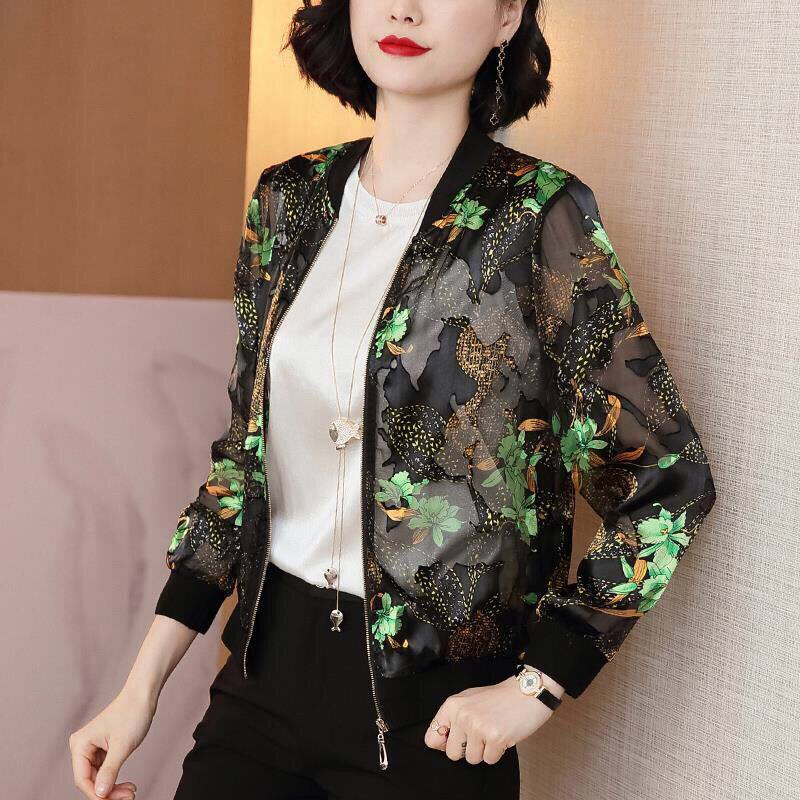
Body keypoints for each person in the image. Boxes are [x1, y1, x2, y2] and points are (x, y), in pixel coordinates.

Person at [68, 1, 718, 799]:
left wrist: (539, 684)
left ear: (507, 15)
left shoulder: (535, 215)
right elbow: (243, 462)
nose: (404, 7)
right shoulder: (288, 200)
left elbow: (667, 477)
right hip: (263, 680)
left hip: (431, 720)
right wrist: (140, 690)